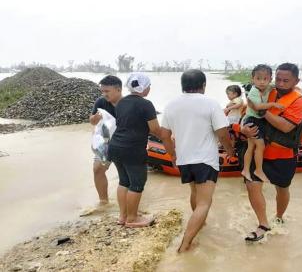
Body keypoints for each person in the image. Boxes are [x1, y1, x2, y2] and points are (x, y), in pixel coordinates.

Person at [159, 69, 234, 253]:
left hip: (185, 159)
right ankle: (185, 245)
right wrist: (231, 150)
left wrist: (172, 156)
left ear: (182, 86)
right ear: (203, 85)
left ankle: (200, 224)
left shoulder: (171, 105)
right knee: (204, 203)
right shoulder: (211, 103)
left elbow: (164, 135)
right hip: (205, 159)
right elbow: (222, 133)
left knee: (194, 193)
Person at [241, 63, 302, 242]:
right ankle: (263, 224)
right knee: (251, 183)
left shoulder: (299, 101)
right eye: (278, 79)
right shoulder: (267, 91)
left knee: (282, 188)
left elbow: (285, 127)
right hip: (261, 151)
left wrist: (260, 111)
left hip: (284, 154)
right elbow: (246, 113)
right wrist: (244, 129)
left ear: (296, 81)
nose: (281, 83)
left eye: (286, 80)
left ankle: (279, 216)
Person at [108, 73, 162, 228]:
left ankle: (123, 216)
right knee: (137, 183)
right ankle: (132, 219)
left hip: (115, 146)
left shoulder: (121, 102)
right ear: (143, 87)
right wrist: (167, 137)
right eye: (149, 86)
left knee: (124, 181)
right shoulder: (146, 104)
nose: (150, 89)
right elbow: (155, 129)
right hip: (132, 149)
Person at [241, 64, 284, 183]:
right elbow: (258, 107)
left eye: (265, 79)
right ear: (253, 79)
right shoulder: (254, 91)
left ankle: (245, 170)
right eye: (258, 79)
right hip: (253, 120)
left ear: (270, 79)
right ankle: (258, 170)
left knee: (251, 147)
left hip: (257, 120)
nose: (262, 82)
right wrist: (273, 105)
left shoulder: (267, 88)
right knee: (260, 146)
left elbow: (275, 87)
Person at [89, 75, 123, 206]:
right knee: (98, 169)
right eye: (102, 91)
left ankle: (130, 201)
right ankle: (103, 201)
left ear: (118, 90)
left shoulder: (128, 103)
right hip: (105, 141)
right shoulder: (101, 102)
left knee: (125, 174)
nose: (104, 94)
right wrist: (95, 119)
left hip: (123, 142)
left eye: (107, 91)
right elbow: (91, 120)